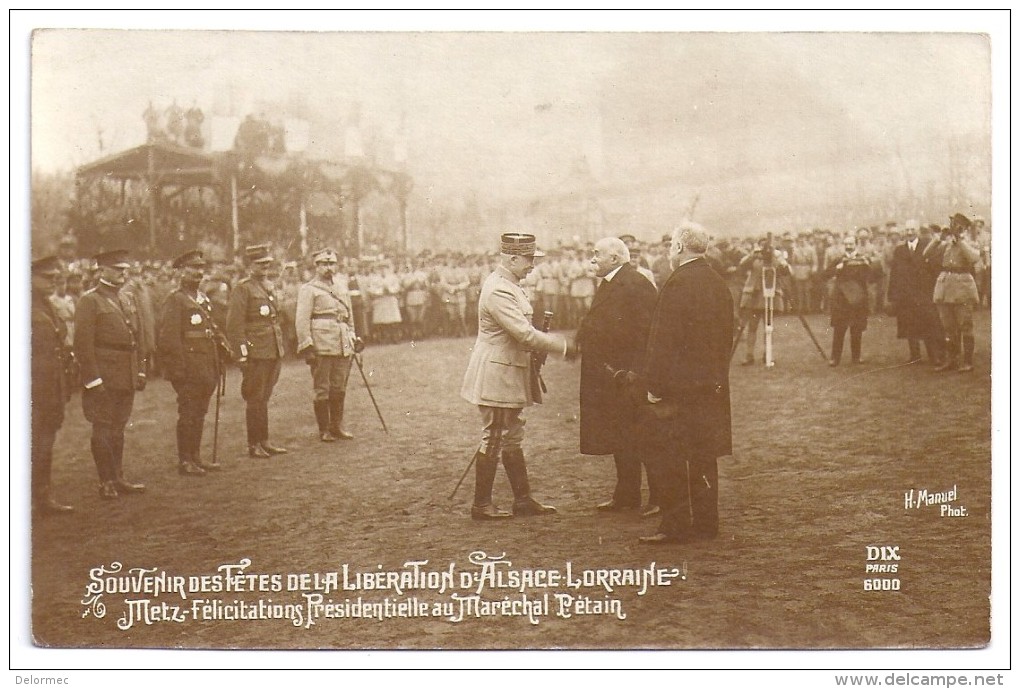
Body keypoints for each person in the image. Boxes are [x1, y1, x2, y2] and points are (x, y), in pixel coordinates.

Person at [460, 233, 577, 520]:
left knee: (512, 435)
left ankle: (522, 500)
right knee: (496, 435)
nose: (532, 266)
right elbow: (523, 333)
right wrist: (564, 346)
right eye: (528, 260)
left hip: (507, 370)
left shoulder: (511, 285)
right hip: (497, 372)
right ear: (512, 258)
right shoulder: (500, 290)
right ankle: (482, 505)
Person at [638, 222, 733, 544]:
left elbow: (663, 341)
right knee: (704, 455)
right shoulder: (717, 281)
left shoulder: (677, 283)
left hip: (678, 389)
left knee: (670, 456)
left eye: (671, 245)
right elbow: (726, 336)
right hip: (710, 385)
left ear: (679, 247)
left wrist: (654, 386)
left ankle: (675, 526)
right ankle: (707, 524)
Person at [576, 237, 659, 516]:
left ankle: (658, 498)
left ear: (614, 258)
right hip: (612, 375)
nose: (592, 258)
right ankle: (627, 495)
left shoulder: (635, 284)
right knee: (621, 435)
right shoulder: (612, 282)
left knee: (643, 437)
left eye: (597, 253)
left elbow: (647, 332)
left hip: (628, 375)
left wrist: (636, 373)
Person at [73, 249, 147, 499]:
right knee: (103, 427)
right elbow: (83, 344)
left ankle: (118, 476)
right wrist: (93, 379)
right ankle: (105, 481)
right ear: (101, 270)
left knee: (118, 427)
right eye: (117, 269)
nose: (122, 273)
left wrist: (139, 370)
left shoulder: (125, 299)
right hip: (103, 375)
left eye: (125, 269)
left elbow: (134, 337)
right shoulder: (90, 300)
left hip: (125, 373)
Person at [157, 250, 226, 476]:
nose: (198, 273)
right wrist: (178, 370)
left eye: (201, 269)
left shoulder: (201, 299)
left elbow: (211, 329)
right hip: (187, 368)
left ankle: (195, 457)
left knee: (200, 412)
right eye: (192, 269)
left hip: (206, 366)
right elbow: (169, 338)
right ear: (180, 272)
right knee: (188, 413)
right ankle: (185, 460)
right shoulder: (175, 300)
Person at [226, 244, 288, 458]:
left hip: (271, 349)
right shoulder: (243, 288)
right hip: (255, 351)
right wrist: (242, 353)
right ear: (249, 265)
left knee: (264, 396)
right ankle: (254, 444)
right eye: (259, 264)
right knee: (255, 398)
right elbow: (235, 325)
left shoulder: (267, 286)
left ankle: (264, 440)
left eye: (267, 264)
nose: (264, 268)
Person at [295, 248, 361, 442]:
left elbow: (349, 316)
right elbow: (301, 320)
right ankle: (324, 429)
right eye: (324, 264)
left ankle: (336, 426)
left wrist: (353, 337)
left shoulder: (341, 286)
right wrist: (307, 346)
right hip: (321, 342)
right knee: (322, 387)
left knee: (339, 385)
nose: (328, 268)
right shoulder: (309, 289)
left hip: (342, 342)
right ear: (316, 266)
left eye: (331, 264)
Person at [31, 256, 74, 514]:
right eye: (46, 278)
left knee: (44, 445)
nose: (52, 283)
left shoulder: (47, 305)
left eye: (54, 278)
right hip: (32, 391)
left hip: (51, 388)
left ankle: (42, 497)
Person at [886, 219, 945, 365]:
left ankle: (934, 355)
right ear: (904, 232)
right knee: (909, 324)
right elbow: (894, 273)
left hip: (924, 293)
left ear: (917, 231)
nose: (910, 232)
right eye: (907, 230)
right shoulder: (900, 250)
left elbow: (934, 269)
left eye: (912, 229)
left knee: (928, 324)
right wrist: (893, 295)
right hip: (906, 294)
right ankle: (915, 355)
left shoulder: (927, 247)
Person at [929, 213, 981, 372]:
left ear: (963, 227)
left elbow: (973, 258)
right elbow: (928, 255)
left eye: (956, 224)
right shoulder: (946, 243)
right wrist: (939, 238)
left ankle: (967, 362)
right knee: (948, 326)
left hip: (962, 287)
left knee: (965, 325)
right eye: (952, 223)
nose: (953, 227)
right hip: (945, 287)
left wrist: (960, 241)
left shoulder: (970, 242)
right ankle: (952, 359)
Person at [736, 236, 789, 365]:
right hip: (754, 296)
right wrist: (753, 254)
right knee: (752, 326)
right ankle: (749, 355)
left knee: (768, 327)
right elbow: (742, 267)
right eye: (762, 245)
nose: (765, 249)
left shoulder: (775, 257)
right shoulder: (754, 257)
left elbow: (785, 271)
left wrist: (777, 257)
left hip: (769, 295)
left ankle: (768, 354)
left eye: (767, 246)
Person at [823, 236, 872, 366]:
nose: (848, 246)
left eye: (851, 244)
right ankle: (835, 358)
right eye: (846, 244)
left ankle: (856, 357)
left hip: (858, 299)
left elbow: (873, 276)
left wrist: (868, 266)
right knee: (839, 329)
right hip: (842, 300)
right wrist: (837, 269)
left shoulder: (863, 259)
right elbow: (826, 274)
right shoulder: (838, 259)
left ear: (856, 244)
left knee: (856, 329)